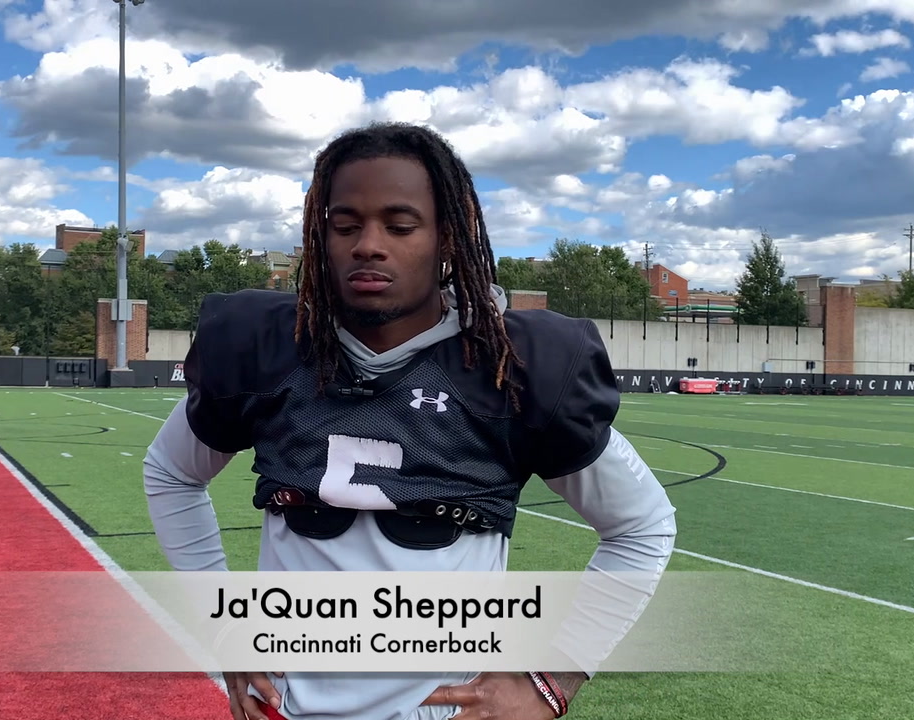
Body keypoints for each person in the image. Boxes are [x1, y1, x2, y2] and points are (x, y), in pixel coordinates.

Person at [144, 122, 677, 720]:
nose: (368, 245)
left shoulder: (509, 366)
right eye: (345, 226)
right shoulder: (268, 350)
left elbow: (642, 526)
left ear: (448, 238)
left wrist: (551, 680)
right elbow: (171, 472)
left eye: (400, 226)